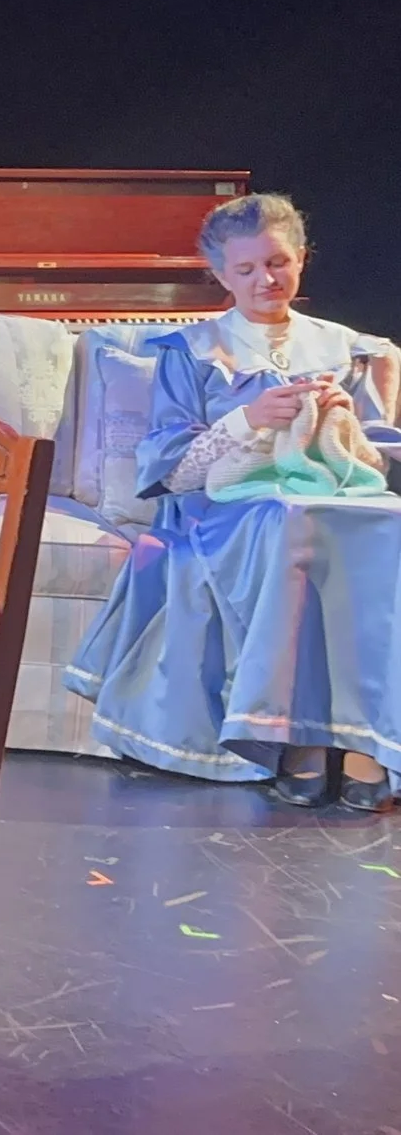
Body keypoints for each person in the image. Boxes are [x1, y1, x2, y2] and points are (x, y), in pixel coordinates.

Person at [67, 193, 401, 813]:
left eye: (277, 263)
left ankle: (365, 740)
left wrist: (343, 416)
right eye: (245, 270)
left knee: (384, 525)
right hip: (226, 507)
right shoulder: (191, 351)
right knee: (288, 522)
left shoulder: (353, 351)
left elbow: (377, 463)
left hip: (332, 493)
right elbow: (169, 468)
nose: (264, 280)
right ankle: (292, 736)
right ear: (220, 275)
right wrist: (247, 420)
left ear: (300, 259)